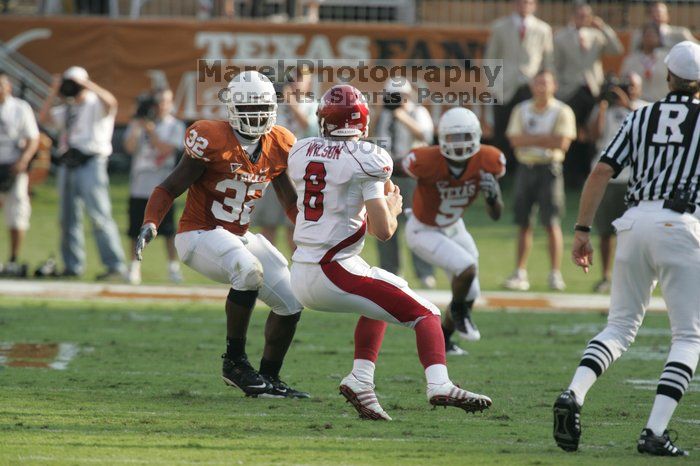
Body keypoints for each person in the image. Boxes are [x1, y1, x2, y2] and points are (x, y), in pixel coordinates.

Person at [288, 84, 492, 421]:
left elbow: (335, 192)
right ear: (363, 122)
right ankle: (439, 384)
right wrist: (393, 206)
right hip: (333, 270)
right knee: (427, 313)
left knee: (386, 285)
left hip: (303, 267)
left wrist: (368, 200)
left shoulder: (301, 150)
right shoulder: (369, 159)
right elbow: (384, 232)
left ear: (324, 120)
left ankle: (361, 380)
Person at [553, 41, 700, 457]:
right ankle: (654, 431)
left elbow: (601, 170)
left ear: (667, 77)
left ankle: (573, 393)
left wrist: (581, 229)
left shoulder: (641, 116)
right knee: (688, 336)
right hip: (683, 224)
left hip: (634, 224)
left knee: (619, 327)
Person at [135, 71, 308, 399]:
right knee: (248, 271)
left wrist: (308, 235)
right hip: (198, 234)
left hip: (238, 235)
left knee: (291, 299)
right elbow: (169, 186)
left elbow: (289, 200)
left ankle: (269, 377)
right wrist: (151, 221)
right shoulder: (211, 137)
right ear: (232, 109)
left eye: (261, 107)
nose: (256, 115)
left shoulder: (280, 142)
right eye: (248, 108)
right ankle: (234, 362)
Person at [402, 108, 505, 355]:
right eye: (453, 138)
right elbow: (391, 168)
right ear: (442, 138)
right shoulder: (425, 160)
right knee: (467, 268)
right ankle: (459, 313)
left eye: (465, 136)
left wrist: (493, 197)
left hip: (453, 226)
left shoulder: (489, 160)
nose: (459, 145)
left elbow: (496, 215)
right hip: (423, 230)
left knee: (472, 289)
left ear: (477, 136)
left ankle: (445, 341)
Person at [38, 66, 127, 280]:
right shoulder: (67, 108)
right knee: (67, 218)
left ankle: (115, 266)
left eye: (74, 84)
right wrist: (55, 91)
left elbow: (112, 103)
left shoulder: (95, 103)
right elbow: (44, 118)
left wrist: (85, 84)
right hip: (68, 164)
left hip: (91, 163)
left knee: (99, 215)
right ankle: (72, 266)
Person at [502, 71, 577, 291]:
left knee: (551, 222)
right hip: (526, 167)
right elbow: (515, 140)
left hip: (550, 169)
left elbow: (562, 143)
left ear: (554, 85)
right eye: (537, 83)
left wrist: (531, 139)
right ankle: (520, 272)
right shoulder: (521, 109)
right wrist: (546, 139)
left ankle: (555, 274)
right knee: (523, 222)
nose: (541, 87)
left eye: (545, 83)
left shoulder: (562, 110)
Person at [586, 73, 648, 293]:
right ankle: (605, 276)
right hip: (608, 180)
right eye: (625, 86)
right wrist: (603, 105)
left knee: (634, 234)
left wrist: (627, 104)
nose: (628, 89)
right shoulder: (606, 109)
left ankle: (634, 277)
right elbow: (593, 136)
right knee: (605, 231)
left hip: (634, 180)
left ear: (640, 88)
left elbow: (647, 133)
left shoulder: (645, 108)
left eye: (632, 86)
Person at [374, 76, 436, 288]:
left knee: (416, 224)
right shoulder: (383, 115)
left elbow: (427, 135)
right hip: (386, 173)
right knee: (384, 221)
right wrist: (381, 113)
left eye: (397, 96)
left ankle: (425, 272)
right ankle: (390, 270)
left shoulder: (417, 112)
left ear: (408, 95)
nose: (393, 100)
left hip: (410, 173)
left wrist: (401, 114)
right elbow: (372, 136)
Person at [554, 1, 623, 187]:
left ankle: (589, 175)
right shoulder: (561, 37)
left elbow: (617, 50)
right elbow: (556, 65)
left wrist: (604, 27)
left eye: (586, 15)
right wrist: (560, 88)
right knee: (571, 132)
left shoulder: (597, 35)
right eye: (580, 15)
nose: (583, 19)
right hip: (570, 91)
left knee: (593, 134)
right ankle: (570, 177)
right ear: (572, 16)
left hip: (592, 90)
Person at [123, 88, 185, 285]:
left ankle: (172, 268)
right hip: (139, 184)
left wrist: (151, 131)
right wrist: (137, 124)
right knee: (135, 229)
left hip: (163, 185)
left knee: (167, 230)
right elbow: (129, 148)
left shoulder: (175, 125)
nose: (161, 106)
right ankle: (134, 267)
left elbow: (166, 150)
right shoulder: (140, 124)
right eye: (158, 102)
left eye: (165, 102)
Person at [251, 67, 316, 252]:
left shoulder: (312, 104)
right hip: (274, 169)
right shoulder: (276, 105)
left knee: (294, 226)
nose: (296, 81)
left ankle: (297, 272)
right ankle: (266, 269)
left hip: (299, 172)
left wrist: (291, 101)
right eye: (294, 77)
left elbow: (310, 127)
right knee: (268, 224)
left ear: (309, 82)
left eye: (302, 78)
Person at [483, 0, 553, 160]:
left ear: (534, 5)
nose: (524, 6)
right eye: (520, 2)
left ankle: (524, 166)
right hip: (505, 86)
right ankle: (500, 166)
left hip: (531, 85)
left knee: (530, 126)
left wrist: (546, 85)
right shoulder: (499, 27)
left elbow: (548, 60)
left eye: (528, 3)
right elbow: (490, 58)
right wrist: (494, 85)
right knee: (502, 128)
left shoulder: (543, 29)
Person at [0, 70, 39, 274]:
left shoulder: (19, 108)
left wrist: (23, 160)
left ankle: (13, 259)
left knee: (17, 213)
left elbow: (33, 138)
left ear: (8, 87)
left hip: (14, 166)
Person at [622, 23, 671, 103]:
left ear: (659, 38)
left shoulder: (666, 58)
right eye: (647, 35)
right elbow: (623, 79)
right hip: (638, 104)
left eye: (653, 35)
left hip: (660, 103)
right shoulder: (631, 60)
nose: (650, 39)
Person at [630, 1, 698, 51]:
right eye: (653, 12)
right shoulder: (639, 34)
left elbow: (697, 49)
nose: (656, 16)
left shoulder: (680, 33)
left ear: (667, 15)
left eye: (659, 13)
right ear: (648, 16)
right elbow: (633, 55)